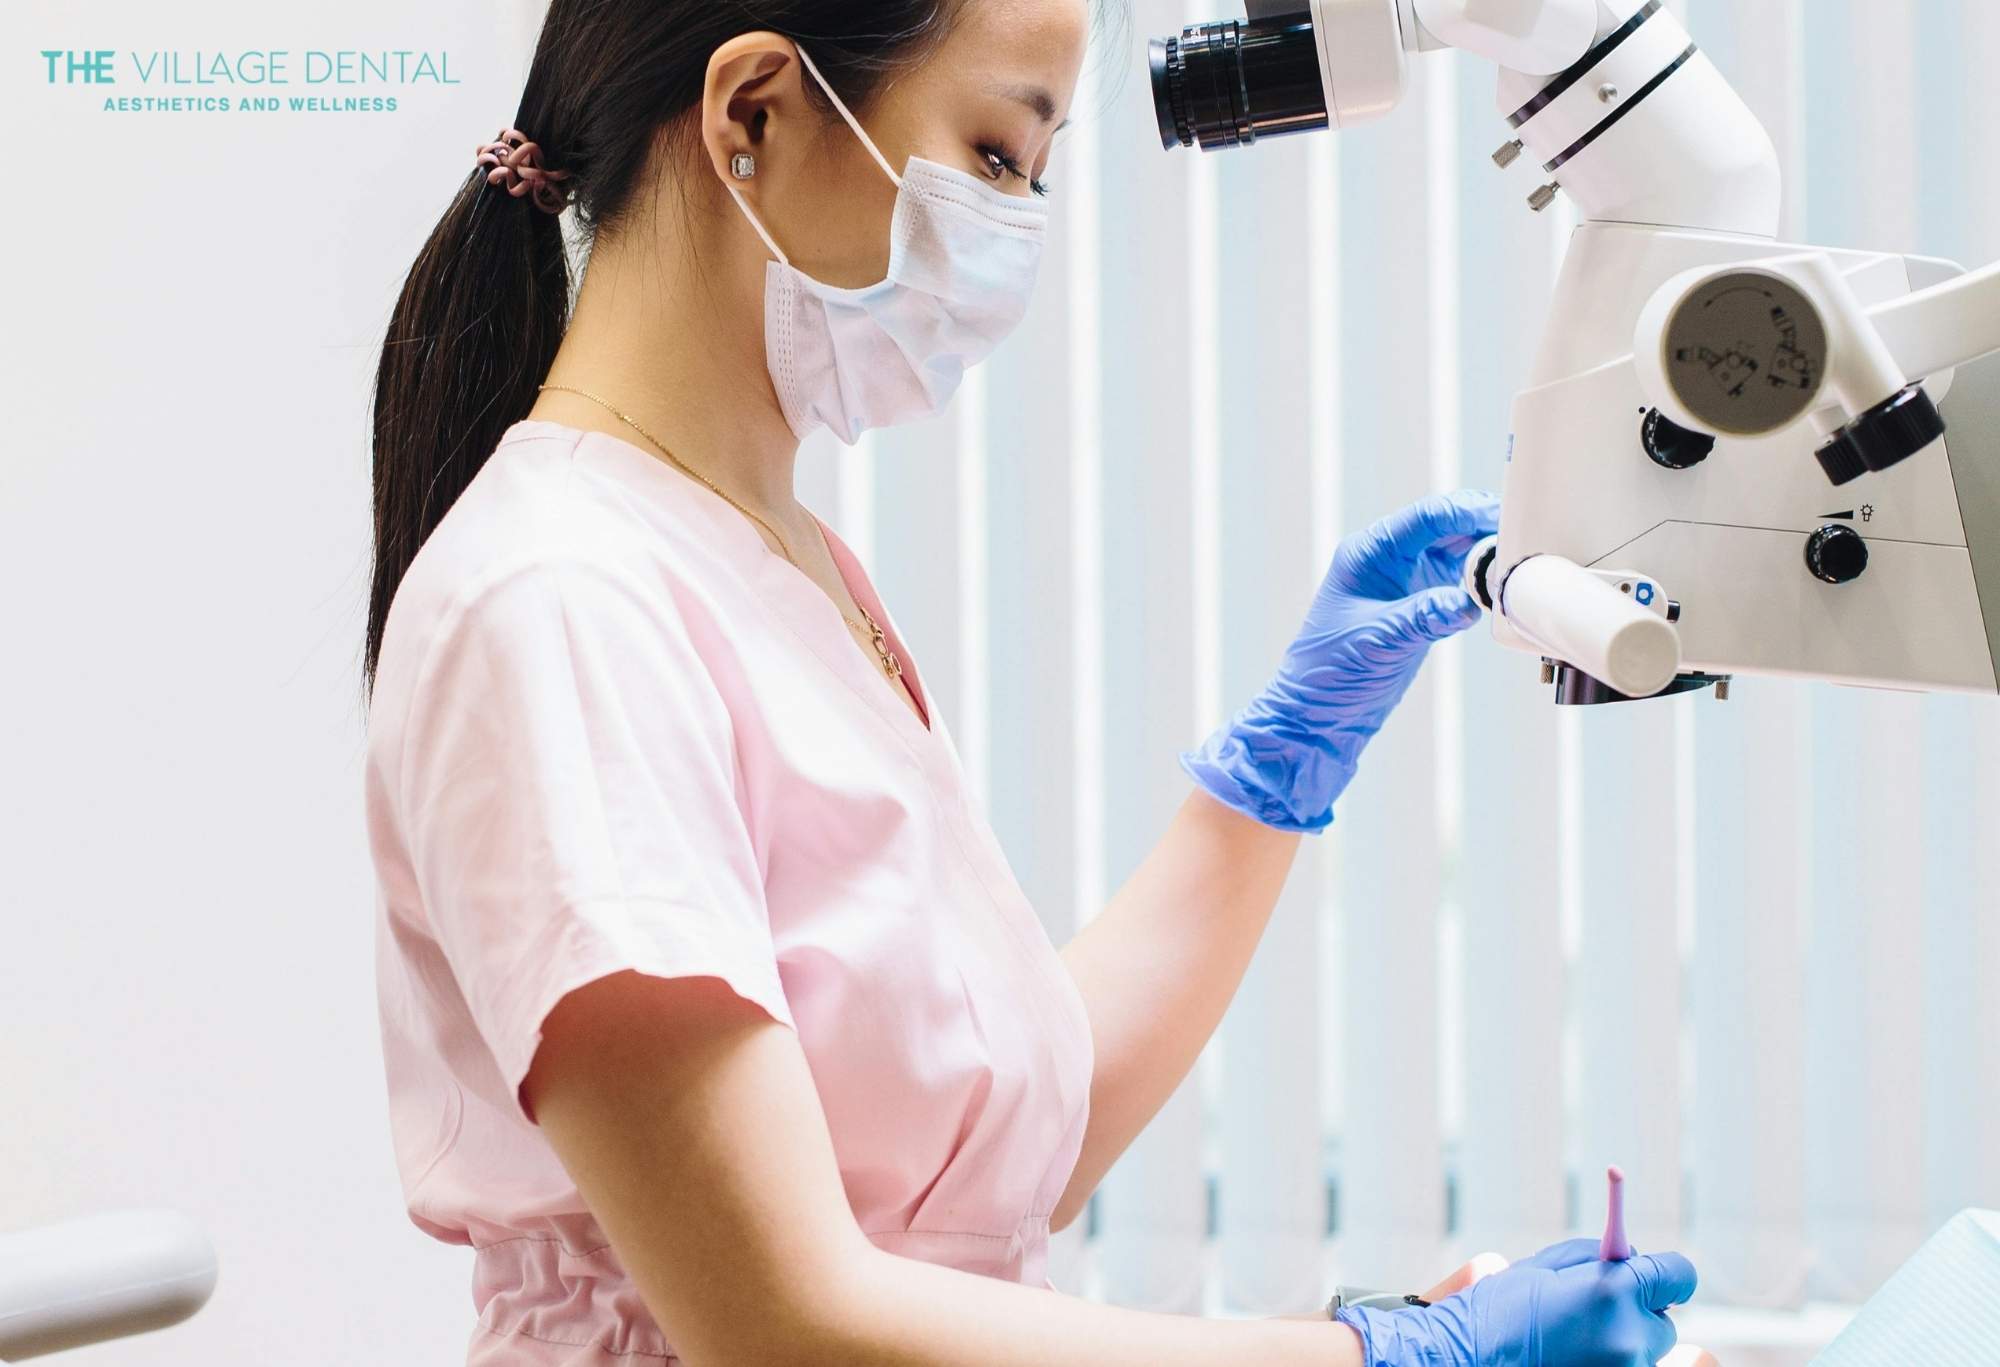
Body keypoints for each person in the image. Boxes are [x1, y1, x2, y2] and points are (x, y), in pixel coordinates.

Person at [360, 1, 1699, 1363]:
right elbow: (782, 1321)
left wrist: (1284, 762)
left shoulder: (778, 562)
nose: (1018, 229)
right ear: (753, 111)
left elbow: (972, 1179)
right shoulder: (561, 602)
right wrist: (1393, 1356)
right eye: (999, 157)